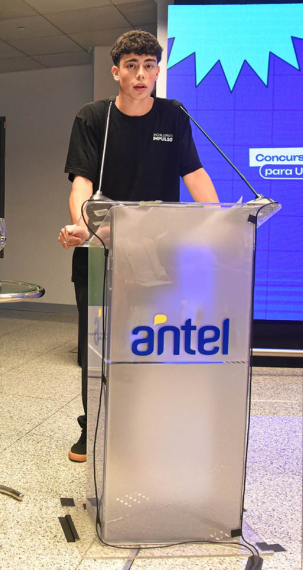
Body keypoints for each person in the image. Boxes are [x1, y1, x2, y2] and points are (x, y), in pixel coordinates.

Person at [59, 30, 219, 462]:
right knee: (97, 346)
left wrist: (221, 219)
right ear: (116, 72)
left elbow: (195, 174)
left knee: (148, 343)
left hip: (158, 257)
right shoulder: (93, 118)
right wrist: (83, 227)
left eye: (149, 65)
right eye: (131, 65)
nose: (141, 74)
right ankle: (91, 426)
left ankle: (144, 423)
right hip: (99, 253)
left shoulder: (174, 116)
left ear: (158, 70)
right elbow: (82, 185)